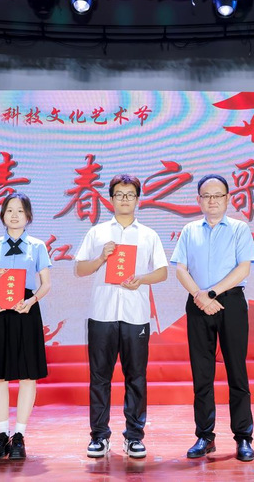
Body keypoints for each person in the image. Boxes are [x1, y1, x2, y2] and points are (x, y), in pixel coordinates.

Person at [75, 174, 168, 459]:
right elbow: (80, 269)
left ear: (137, 199)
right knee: (99, 377)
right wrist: (102, 258)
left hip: (136, 315)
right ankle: (99, 436)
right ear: (111, 199)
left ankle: (134, 437)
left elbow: (162, 272)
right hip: (102, 314)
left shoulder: (149, 235)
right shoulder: (97, 233)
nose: (125, 199)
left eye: (130, 194)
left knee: (136, 377)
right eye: (119, 194)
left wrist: (141, 279)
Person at [170, 174, 254, 462]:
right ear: (198, 200)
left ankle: (243, 437)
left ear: (228, 199)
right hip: (198, 304)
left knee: (237, 372)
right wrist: (200, 296)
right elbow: (180, 268)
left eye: (218, 195)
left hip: (230, 302)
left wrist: (212, 293)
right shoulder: (189, 231)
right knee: (202, 374)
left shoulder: (239, 229)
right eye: (206, 196)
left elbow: (244, 267)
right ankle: (205, 436)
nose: (212, 201)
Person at [0, 193, 52, 461]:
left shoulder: (38, 246)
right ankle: (1, 434)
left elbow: (46, 283)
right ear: (2, 215)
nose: (15, 215)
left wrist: (31, 301)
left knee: (28, 375)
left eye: (20, 210)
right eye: (9, 210)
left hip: (26, 311)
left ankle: (19, 435)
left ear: (28, 216)